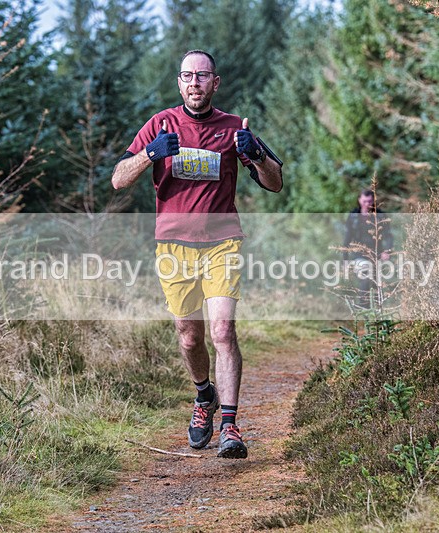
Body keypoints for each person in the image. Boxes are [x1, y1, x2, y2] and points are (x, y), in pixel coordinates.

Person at [111, 50, 283, 459]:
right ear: (179, 82)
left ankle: (230, 425)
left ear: (215, 82)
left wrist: (255, 154)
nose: (194, 83)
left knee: (222, 331)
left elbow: (275, 183)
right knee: (189, 337)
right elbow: (119, 179)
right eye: (187, 76)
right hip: (173, 247)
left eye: (202, 76)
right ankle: (203, 396)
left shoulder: (232, 128)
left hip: (222, 242)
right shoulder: (160, 123)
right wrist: (150, 154)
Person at [342, 190, 393, 308]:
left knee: (376, 284)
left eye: (370, 201)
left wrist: (387, 251)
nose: (367, 204)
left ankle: (376, 313)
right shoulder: (353, 216)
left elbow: (388, 235)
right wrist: (345, 259)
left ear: (373, 201)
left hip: (376, 254)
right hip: (358, 255)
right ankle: (363, 309)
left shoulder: (380, 215)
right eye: (364, 201)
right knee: (365, 275)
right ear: (359, 200)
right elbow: (347, 238)